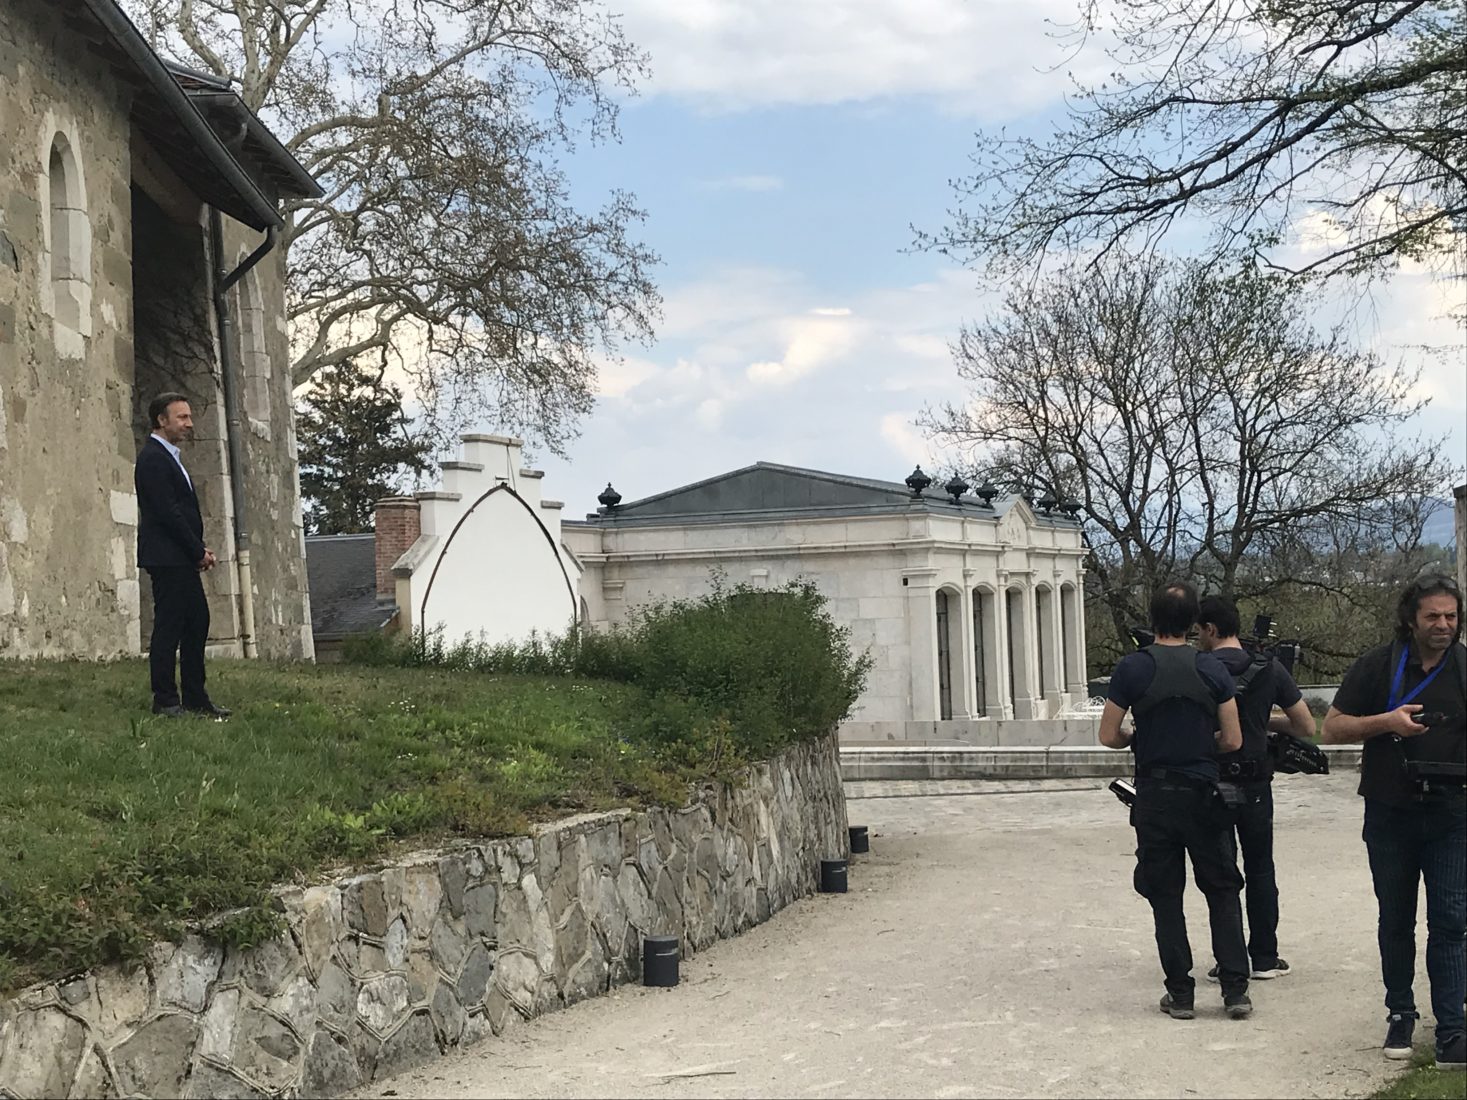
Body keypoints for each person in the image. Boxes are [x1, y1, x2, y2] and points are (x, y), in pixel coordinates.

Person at [1323, 575, 1465, 1069]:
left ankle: (1452, 1030)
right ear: (1411, 619)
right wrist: (1387, 722)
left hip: (1452, 813)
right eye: (1433, 616)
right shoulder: (1378, 665)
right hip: (1389, 811)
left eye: (1451, 616)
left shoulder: (1466, 668)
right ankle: (1400, 1012)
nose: (1444, 625)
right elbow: (1332, 727)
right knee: (1396, 918)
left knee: (1451, 921)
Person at [1100, 581, 1252, 1020]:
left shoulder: (1132, 669)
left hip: (1155, 795)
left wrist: (1137, 737)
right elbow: (1234, 739)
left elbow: (1109, 735)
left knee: (1165, 894)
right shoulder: (1212, 670)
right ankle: (1235, 989)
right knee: (1222, 889)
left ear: (1153, 618)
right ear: (1192, 623)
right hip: (1204, 792)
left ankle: (1180, 993)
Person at [1196, 594, 1317, 982]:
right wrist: (1263, 723)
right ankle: (1265, 956)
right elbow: (1306, 726)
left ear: (1210, 629)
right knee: (1261, 868)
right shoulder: (1270, 668)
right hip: (1257, 782)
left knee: (1222, 872)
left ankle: (1228, 959)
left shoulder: (1198, 668)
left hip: (1212, 781)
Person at [135, 393, 230, 719]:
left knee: (196, 622)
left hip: (179, 556)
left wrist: (196, 550)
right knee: (169, 627)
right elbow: (168, 513)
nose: (189, 424)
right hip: (167, 557)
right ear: (162, 420)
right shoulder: (153, 459)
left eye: (189, 417)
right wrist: (196, 551)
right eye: (182, 418)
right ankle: (165, 700)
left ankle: (194, 697)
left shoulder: (169, 457)